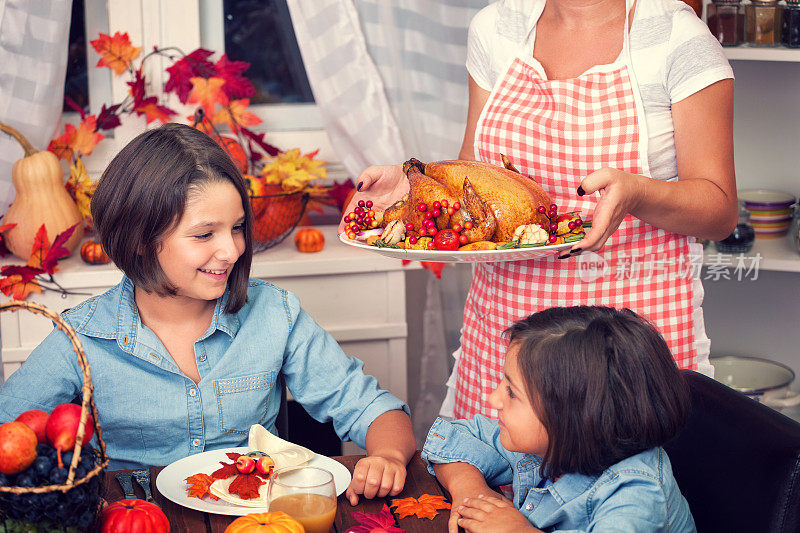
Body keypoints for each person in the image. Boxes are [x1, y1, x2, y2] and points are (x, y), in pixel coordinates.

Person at [342, 0, 738, 420]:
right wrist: (411, 186)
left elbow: (720, 211)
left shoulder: (677, 37)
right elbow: (474, 177)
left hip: (623, 350)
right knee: (488, 480)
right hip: (506, 343)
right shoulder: (497, 28)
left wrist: (637, 193)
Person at [0, 123, 415, 505]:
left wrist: (389, 457)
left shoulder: (275, 313)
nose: (233, 250)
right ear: (140, 239)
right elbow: (6, 431)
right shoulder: (82, 338)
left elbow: (372, 410)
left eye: (237, 228)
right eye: (204, 234)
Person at [421, 306, 695, 532]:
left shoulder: (635, 495)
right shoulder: (545, 443)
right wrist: (471, 492)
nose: (493, 400)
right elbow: (453, 438)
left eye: (512, 393)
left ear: (574, 417)